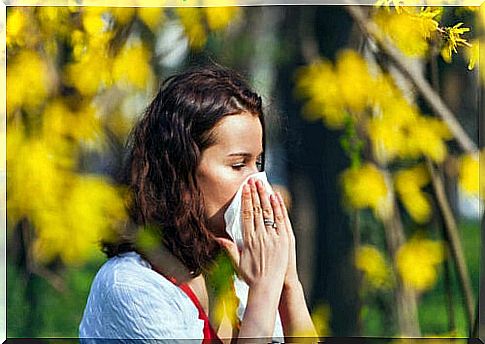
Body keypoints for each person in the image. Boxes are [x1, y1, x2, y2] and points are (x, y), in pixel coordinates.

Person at [79, 65, 317, 342]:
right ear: (180, 171)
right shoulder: (131, 286)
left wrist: (288, 284)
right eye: (239, 164)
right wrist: (264, 290)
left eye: (259, 163)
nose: (258, 183)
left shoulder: (237, 275)